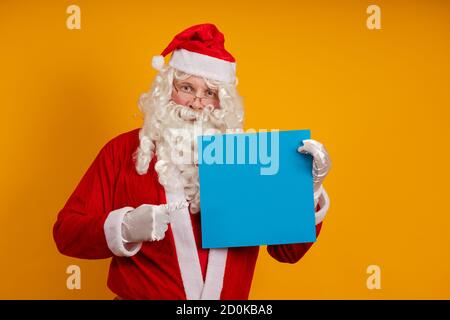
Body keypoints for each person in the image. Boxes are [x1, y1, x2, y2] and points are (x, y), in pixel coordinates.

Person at [53, 23, 331, 300]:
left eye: (209, 93)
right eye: (187, 88)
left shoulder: (247, 160)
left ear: (223, 102)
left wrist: (307, 192)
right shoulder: (122, 151)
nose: (197, 103)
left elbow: (288, 252)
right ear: (166, 90)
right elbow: (66, 234)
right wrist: (124, 227)